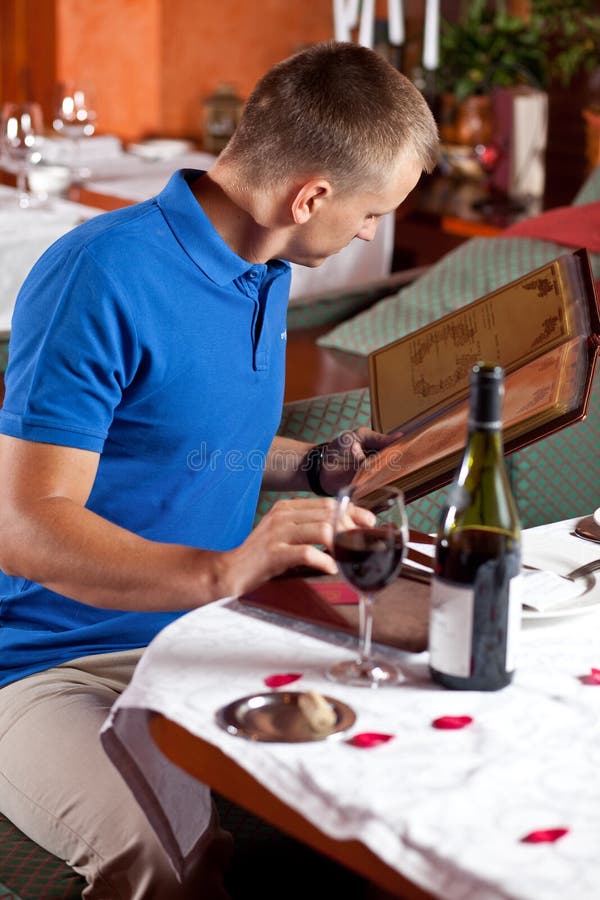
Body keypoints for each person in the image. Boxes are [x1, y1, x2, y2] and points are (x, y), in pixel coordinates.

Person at [0, 41, 438, 899]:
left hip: (203, 634)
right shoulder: (101, 274)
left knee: (414, 766)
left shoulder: (266, 265)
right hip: (49, 663)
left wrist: (316, 466)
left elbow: (180, 440)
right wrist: (223, 571)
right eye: (370, 212)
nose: (367, 232)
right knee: (163, 863)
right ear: (309, 194)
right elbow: (22, 525)